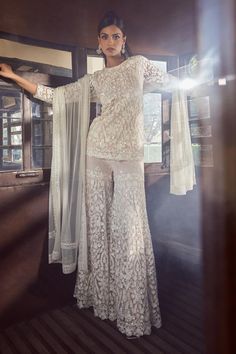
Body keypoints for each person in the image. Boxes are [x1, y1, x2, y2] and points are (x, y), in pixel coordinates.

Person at [0, 11, 195, 337]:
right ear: (98, 42)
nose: (109, 42)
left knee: (130, 231)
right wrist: (15, 76)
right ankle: (103, 302)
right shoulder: (95, 80)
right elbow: (56, 96)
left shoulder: (139, 66)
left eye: (115, 36)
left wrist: (196, 73)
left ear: (124, 40)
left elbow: (175, 83)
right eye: (104, 37)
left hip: (129, 157)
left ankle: (133, 312)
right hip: (96, 152)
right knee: (99, 228)